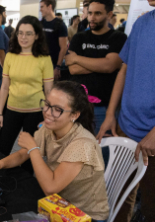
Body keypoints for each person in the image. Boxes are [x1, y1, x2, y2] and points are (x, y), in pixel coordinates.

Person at [0, 81, 109, 222]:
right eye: (47, 104)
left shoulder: (82, 144)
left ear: (74, 115)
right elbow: (22, 153)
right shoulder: (50, 129)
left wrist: (33, 149)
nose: (47, 113)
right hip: (58, 202)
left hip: (82, 213)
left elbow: (50, 188)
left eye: (57, 109)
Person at [96, 2, 155, 221]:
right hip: (126, 126)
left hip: (153, 138)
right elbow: (125, 69)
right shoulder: (142, 22)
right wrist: (111, 114)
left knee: (151, 207)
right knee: (118, 201)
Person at [65, 0, 127, 134]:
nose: (92, 17)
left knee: (100, 150)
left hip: (103, 107)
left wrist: (76, 58)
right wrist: (101, 63)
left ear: (109, 14)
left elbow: (110, 66)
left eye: (98, 13)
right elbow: (73, 69)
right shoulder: (79, 37)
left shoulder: (118, 37)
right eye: (90, 13)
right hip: (77, 105)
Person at [0, 16, 54, 160]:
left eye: (28, 33)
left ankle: (25, 182)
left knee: (30, 154)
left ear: (37, 36)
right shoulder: (10, 56)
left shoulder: (44, 58)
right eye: (20, 33)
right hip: (12, 109)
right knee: (2, 150)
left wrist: (48, 116)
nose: (23, 37)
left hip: (35, 111)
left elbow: (49, 91)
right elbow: (4, 87)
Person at [40, 0, 68, 80]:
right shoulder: (41, 24)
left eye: (42, 7)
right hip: (40, 63)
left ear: (49, 7)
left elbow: (63, 48)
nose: (40, 9)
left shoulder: (60, 25)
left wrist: (57, 67)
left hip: (53, 64)